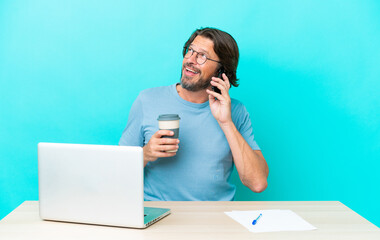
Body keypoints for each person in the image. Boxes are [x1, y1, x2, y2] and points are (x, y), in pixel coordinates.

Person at [119, 27, 269, 201]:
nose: (190, 60)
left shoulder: (236, 112)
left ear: (221, 71)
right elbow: (118, 171)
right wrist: (146, 154)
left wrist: (226, 123)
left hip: (215, 219)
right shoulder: (147, 100)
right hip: (159, 215)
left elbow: (257, 183)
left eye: (202, 56)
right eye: (190, 50)